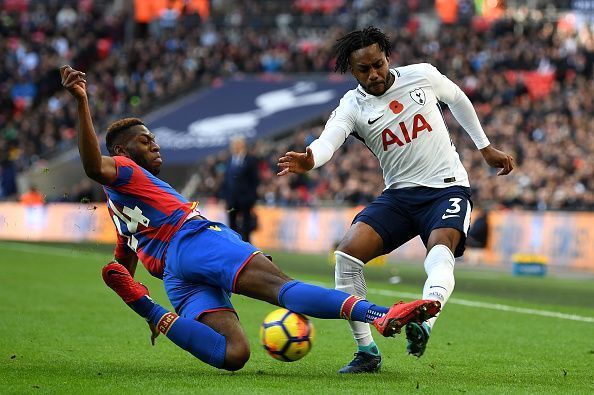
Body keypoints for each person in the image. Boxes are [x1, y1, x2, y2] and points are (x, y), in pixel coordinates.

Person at [60, 64, 441, 372]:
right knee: (284, 289)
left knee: (232, 354)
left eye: (153, 137)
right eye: (145, 140)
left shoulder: (118, 203)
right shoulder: (124, 168)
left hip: (175, 277)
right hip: (195, 241)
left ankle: (150, 311)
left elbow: (123, 264)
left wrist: (133, 293)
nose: (155, 143)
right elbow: (94, 166)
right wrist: (81, 103)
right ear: (122, 151)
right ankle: (379, 314)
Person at [277, 26, 515, 373]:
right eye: (364, 69)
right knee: (346, 256)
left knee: (440, 251)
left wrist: (484, 147)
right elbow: (329, 140)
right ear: (352, 71)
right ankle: (366, 352)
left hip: (446, 188)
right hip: (400, 196)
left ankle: (424, 322)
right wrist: (310, 158)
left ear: (388, 57)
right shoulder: (353, 105)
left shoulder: (422, 76)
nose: (374, 74)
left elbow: (458, 98)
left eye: (378, 64)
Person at [221, 136, 259, 242]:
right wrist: (225, 197)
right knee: (232, 226)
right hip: (231, 201)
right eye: (233, 145)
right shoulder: (229, 161)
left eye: (236, 145)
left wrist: (252, 198)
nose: (234, 147)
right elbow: (226, 180)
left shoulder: (250, 160)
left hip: (245, 200)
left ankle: (248, 251)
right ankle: (234, 249)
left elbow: (255, 181)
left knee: (246, 227)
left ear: (242, 145)